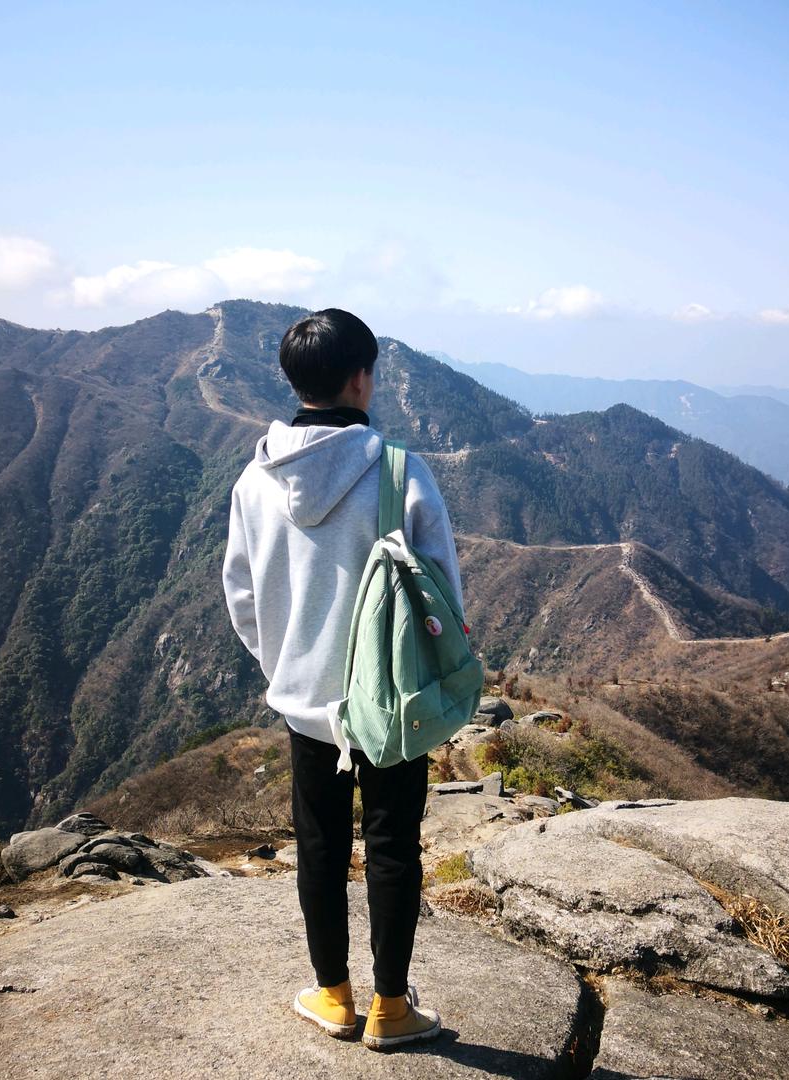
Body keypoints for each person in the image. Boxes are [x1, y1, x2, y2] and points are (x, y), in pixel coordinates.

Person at [221, 308, 464, 1050]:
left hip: (304, 704)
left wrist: (286, 667)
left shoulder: (254, 481)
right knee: (393, 846)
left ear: (295, 381)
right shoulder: (399, 472)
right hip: (391, 704)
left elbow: (242, 596)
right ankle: (391, 1009)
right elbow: (441, 592)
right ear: (362, 379)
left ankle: (332, 995)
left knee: (319, 847)